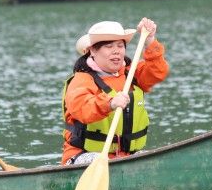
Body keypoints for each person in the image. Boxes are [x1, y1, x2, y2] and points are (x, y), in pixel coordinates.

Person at [61, 18, 169, 165]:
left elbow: (158, 72)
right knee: (101, 161)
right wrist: (110, 103)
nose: (116, 51)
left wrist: (150, 40)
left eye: (120, 45)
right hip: (84, 155)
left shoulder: (132, 74)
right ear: (92, 50)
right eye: (109, 46)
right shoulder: (81, 80)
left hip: (126, 155)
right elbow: (82, 108)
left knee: (155, 160)